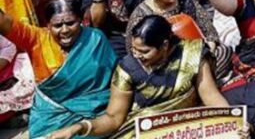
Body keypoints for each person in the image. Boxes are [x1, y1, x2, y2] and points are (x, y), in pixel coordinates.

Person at [48, 15, 240, 139]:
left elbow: (211, 97)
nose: (137, 55)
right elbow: (114, 118)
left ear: (164, 46)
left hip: (185, 129)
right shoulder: (127, 68)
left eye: (145, 51)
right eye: (134, 49)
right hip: (143, 133)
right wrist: (80, 127)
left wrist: (234, 123)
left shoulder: (192, 56)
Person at [0, 0, 117, 138]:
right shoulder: (36, 39)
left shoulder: (95, 38)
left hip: (93, 114)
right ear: (48, 25)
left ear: (80, 20)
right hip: (50, 118)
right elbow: (4, 22)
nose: (65, 30)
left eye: (70, 23)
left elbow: (114, 76)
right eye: (57, 25)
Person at [125, 0, 232, 81]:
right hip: (164, 66)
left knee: (223, 51)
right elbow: (134, 50)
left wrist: (208, 53)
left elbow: (208, 29)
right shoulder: (141, 15)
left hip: (197, 55)